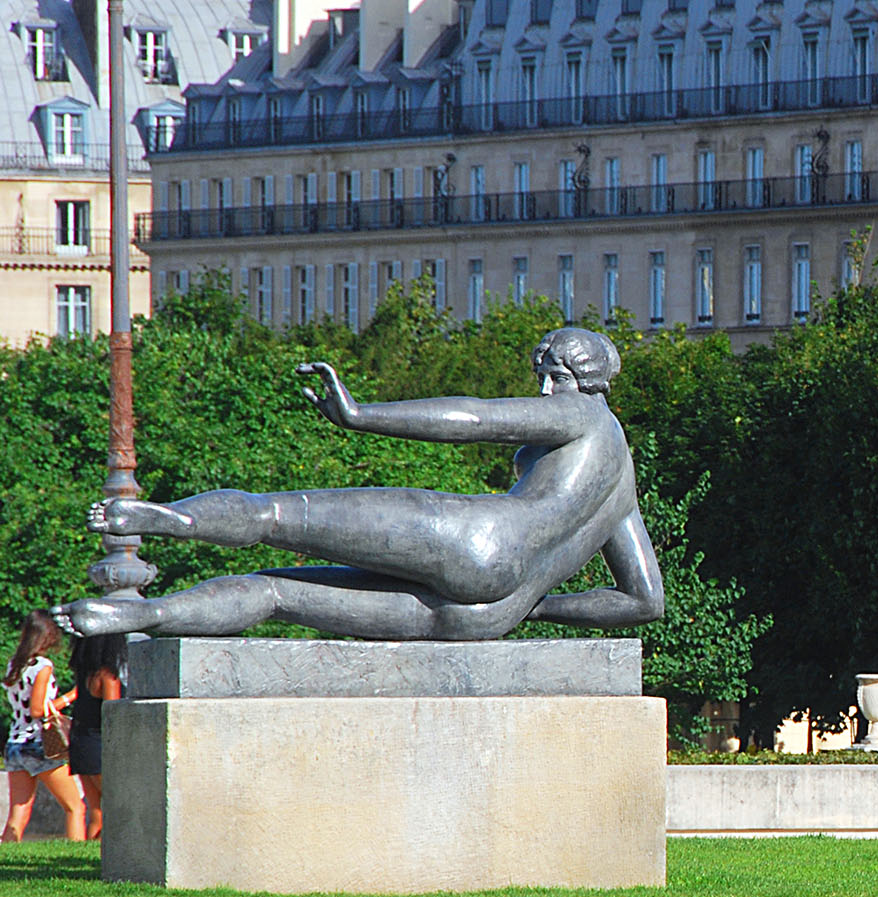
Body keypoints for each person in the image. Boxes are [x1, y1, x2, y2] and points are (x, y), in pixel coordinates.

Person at [54, 327, 664, 642]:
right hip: (493, 613)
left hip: (473, 538)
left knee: (276, 517)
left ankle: (164, 519)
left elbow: (475, 418)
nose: (542, 391)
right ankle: (144, 615)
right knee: (276, 598)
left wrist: (361, 414)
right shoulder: (623, 485)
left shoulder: (583, 414)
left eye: (550, 375)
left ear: (580, 380)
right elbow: (643, 602)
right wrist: (538, 605)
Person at [4, 611, 85, 842]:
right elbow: (38, 710)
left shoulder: (14, 665)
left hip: (15, 743)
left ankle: (7, 857)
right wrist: (71, 696)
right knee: (75, 807)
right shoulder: (43, 666)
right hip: (38, 744)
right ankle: (75, 853)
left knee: (18, 813)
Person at [65, 632, 127, 842]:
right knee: (118, 803)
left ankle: (92, 849)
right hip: (100, 745)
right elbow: (113, 715)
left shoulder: (85, 673)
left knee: (96, 811)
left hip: (80, 741)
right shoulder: (107, 675)